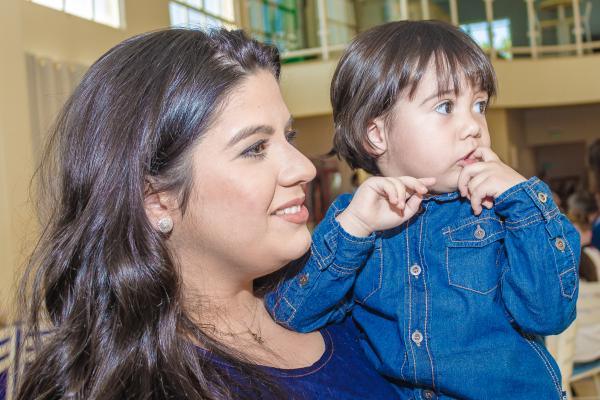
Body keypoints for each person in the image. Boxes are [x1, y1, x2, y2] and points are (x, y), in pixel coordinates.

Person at [7, 28, 402, 400]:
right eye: (255, 148)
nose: (304, 168)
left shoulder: (361, 301)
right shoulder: (115, 385)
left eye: (288, 136)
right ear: (157, 199)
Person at [265, 20, 580, 399]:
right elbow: (293, 314)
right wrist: (354, 228)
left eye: (479, 105)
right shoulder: (354, 221)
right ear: (377, 134)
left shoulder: (503, 212)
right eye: (445, 106)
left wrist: (523, 201)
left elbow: (550, 315)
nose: (474, 126)